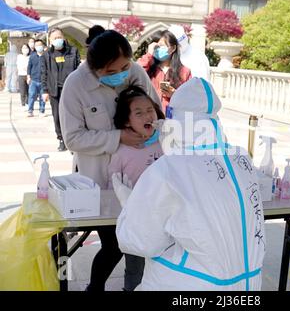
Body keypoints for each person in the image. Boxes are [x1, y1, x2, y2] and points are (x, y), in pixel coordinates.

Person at [114, 77, 266, 290]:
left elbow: (140, 241)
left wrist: (130, 205)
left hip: (190, 283)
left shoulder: (168, 169)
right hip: (248, 283)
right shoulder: (241, 159)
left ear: (174, 119)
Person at [59, 29, 160, 291]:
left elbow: (155, 112)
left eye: (125, 66)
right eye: (111, 71)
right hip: (100, 181)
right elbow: (73, 138)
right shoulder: (76, 84)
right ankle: (96, 287)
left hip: (139, 179)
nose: (121, 74)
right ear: (95, 69)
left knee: (138, 240)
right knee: (114, 244)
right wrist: (118, 138)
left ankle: (133, 286)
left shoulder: (135, 72)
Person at [108, 85, 164, 291]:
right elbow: (112, 185)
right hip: (135, 220)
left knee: (163, 263)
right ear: (126, 121)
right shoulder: (121, 152)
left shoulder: (166, 143)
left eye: (150, 110)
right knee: (135, 267)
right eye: (138, 113)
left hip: (164, 216)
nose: (147, 116)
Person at [41, 28, 81, 151]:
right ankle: (62, 139)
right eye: (55, 38)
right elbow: (44, 72)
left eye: (59, 37)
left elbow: (78, 70)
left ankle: (74, 140)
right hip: (54, 90)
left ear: (63, 38)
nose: (58, 40)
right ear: (50, 40)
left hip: (70, 89)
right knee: (57, 116)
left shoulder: (73, 51)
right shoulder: (47, 54)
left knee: (72, 115)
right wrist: (45, 91)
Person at [137, 30, 191, 114]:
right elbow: (136, 72)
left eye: (161, 46)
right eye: (155, 47)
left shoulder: (184, 72)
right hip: (150, 117)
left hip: (174, 119)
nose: (157, 49)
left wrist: (175, 94)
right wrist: (149, 54)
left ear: (172, 48)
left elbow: (190, 99)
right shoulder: (148, 67)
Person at [27, 40, 46, 117]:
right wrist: (28, 76)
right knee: (31, 95)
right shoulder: (32, 56)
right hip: (33, 79)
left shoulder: (46, 56)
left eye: (40, 45)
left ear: (43, 46)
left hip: (43, 80)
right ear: (35, 47)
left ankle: (42, 111)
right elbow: (29, 67)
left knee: (42, 96)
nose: (39, 47)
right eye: (37, 45)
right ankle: (30, 111)